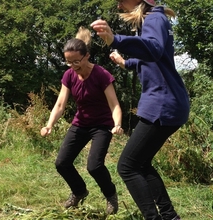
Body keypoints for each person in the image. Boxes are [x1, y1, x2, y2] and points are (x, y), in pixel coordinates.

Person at [91, 1, 190, 219]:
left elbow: (153, 50)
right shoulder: (155, 19)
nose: (119, 6)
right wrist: (125, 63)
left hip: (162, 104)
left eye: (121, 1)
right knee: (141, 164)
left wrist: (115, 40)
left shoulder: (154, 18)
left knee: (127, 167)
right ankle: (169, 216)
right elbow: (154, 60)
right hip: (168, 102)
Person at [40, 26, 123, 215]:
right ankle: (79, 191)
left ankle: (110, 196)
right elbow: (60, 104)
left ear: (86, 56)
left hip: (102, 125)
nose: (72, 66)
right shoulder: (69, 75)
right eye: (68, 62)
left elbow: (115, 105)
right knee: (62, 163)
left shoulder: (101, 74)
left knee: (94, 166)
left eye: (76, 61)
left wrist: (117, 124)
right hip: (81, 123)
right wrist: (49, 124)